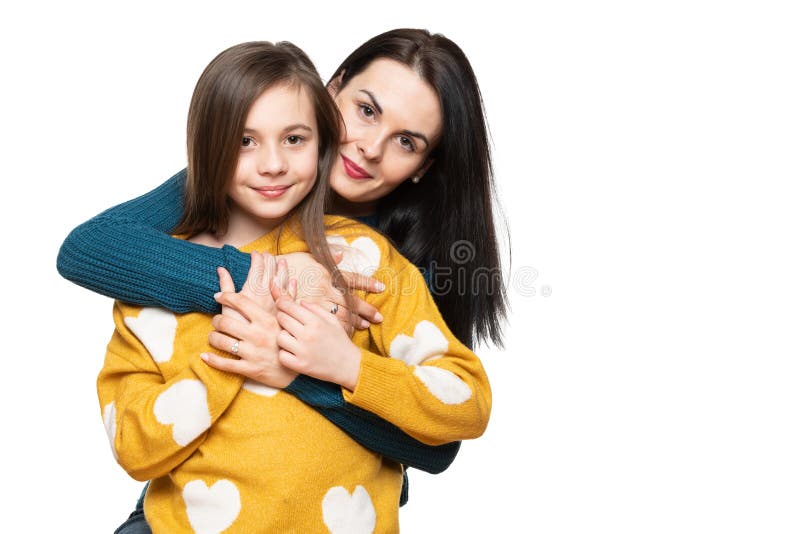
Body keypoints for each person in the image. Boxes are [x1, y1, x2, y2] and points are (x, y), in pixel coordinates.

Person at [58, 28, 506, 533]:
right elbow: (88, 248)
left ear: (425, 165)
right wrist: (268, 280)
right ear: (330, 91)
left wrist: (298, 369)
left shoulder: (387, 262)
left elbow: (438, 446)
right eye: (366, 110)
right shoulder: (241, 173)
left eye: (407, 141)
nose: (371, 147)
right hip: (198, 502)